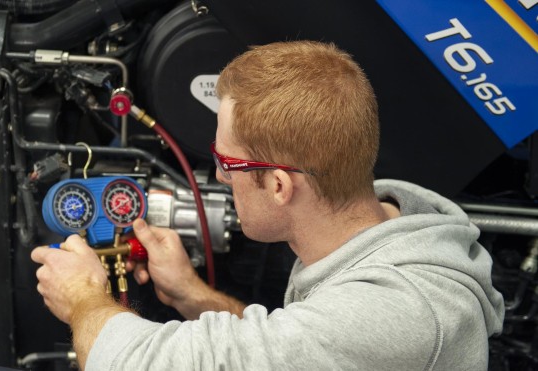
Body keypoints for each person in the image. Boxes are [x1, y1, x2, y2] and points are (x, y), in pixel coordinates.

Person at [31, 40, 504, 370]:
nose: (217, 175)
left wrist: (82, 298)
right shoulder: (384, 227)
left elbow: (131, 363)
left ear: (279, 185)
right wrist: (190, 295)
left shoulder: (393, 311)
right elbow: (289, 349)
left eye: (224, 161)